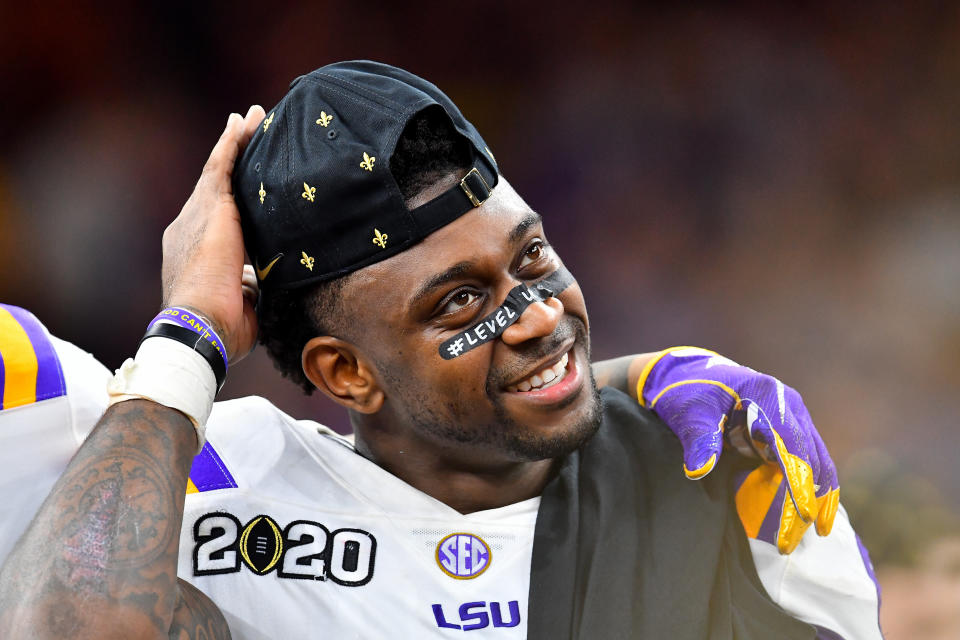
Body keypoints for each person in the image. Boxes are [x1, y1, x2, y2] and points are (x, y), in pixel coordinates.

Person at [0, 61, 881, 639]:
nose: (537, 316)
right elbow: (71, 624)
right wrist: (189, 333)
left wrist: (635, 387)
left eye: (531, 257)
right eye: (462, 301)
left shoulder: (720, 474)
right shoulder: (212, 486)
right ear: (344, 373)